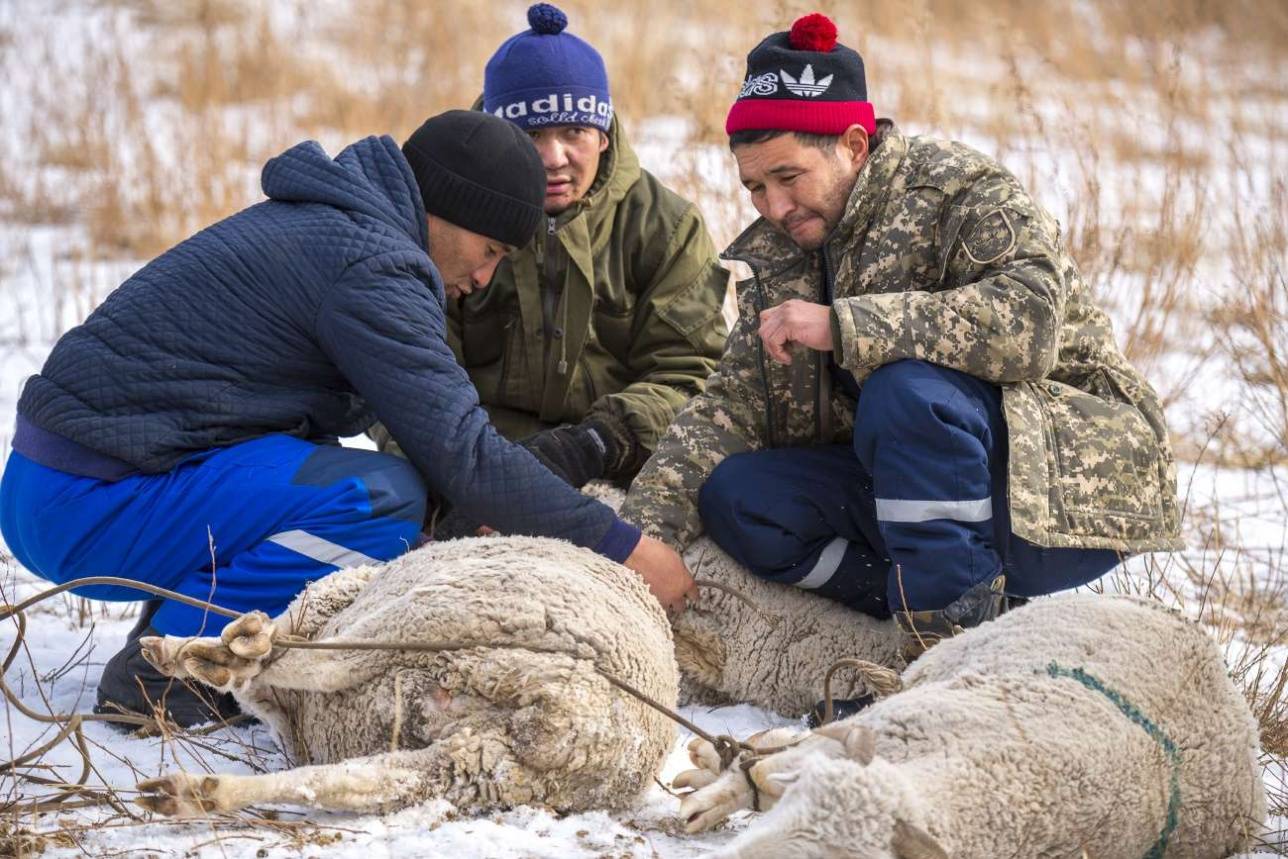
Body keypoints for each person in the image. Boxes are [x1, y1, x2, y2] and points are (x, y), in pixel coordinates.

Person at [0, 110, 693, 727]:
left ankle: (176, 633)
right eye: (490, 254)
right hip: (82, 502)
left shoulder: (338, 227)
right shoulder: (372, 266)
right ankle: (169, 678)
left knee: (353, 480)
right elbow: (465, 455)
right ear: (453, 211)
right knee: (380, 500)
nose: (483, 280)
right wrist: (624, 547)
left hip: (61, 485)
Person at [621, 13, 1181, 685]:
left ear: (854, 144)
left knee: (904, 390)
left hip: (1063, 497)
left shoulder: (958, 190)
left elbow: (1030, 321)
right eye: (755, 187)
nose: (772, 205)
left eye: (788, 176)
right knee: (738, 496)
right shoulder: (779, 251)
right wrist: (636, 539)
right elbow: (728, 410)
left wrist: (847, 324)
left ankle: (946, 669)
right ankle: (940, 602)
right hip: (922, 499)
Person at [375, 4, 729, 495]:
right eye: (530, 135)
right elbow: (399, 370)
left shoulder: (667, 226)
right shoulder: (442, 216)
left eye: (574, 133)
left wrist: (596, 444)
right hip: (465, 450)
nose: (553, 158)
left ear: (602, 135)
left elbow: (692, 374)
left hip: (612, 453)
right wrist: (456, 475)